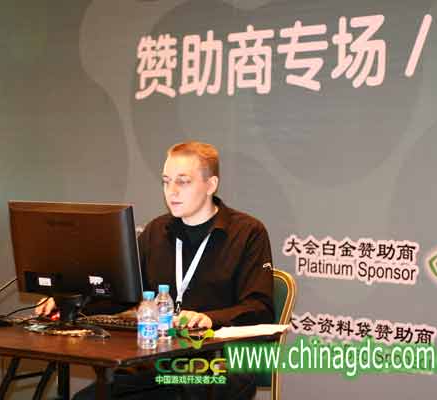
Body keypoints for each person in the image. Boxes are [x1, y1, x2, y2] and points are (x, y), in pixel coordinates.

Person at [38, 141, 274, 399]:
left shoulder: (248, 232)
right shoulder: (156, 231)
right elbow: (123, 293)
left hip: (219, 363)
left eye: (183, 181)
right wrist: (70, 301)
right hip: (159, 359)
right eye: (166, 181)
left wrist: (209, 319)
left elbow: (259, 308)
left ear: (211, 185)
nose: (172, 191)